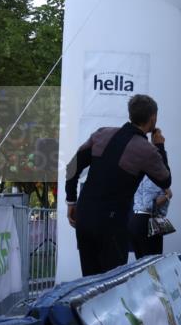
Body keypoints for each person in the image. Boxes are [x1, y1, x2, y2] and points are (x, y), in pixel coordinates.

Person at [65, 94, 171, 276]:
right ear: (153, 118)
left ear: (130, 114)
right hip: (111, 225)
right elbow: (165, 180)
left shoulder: (101, 133)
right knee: (111, 286)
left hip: (85, 216)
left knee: (89, 281)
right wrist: (159, 146)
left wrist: (71, 201)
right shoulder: (147, 150)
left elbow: (71, 167)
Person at [129, 177, 172, 259]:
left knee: (145, 262)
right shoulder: (152, 179)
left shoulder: (147, 178)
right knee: (151, 261)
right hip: (146, 221)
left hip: (143, 220)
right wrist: (168, 195)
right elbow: (148, 205)